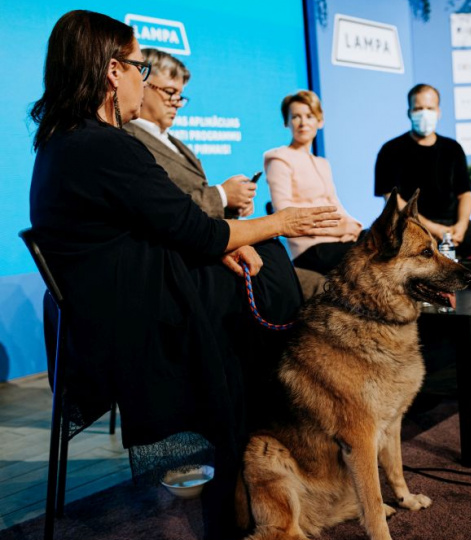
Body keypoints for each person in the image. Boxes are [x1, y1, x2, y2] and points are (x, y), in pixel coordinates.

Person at [28, 11, 341, 538]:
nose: (143, 80)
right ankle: (254, 476)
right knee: (270, 279)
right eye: (137, 68)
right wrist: (281, 222)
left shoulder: (67, 141)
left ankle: (263, 464)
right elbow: (196, 229)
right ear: (110, 72)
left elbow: (164, 227)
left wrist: (223, 247)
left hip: (114, 305)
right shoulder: (103, 146)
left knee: (263, 269)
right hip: (133, 320)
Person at [123, 49, 323, 299]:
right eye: (169, 92)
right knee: (314, 288)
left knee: (312, 282)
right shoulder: (128, 140)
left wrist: (232, 206)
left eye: (180, 95)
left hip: (211, 247)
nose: (176, 102)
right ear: (142, 85)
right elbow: (168, 210)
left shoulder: (176, 143)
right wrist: (223, 196)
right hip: (188, 265)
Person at [374, 83, 471, 259]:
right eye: (418, 108)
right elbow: (392, 199)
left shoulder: (453, 149)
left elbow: (465, 194)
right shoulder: (391, 150)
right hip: (408, 227)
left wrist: (461, 226)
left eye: (430, 108)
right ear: (409, 112)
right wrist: (433, 229)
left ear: (438, 112)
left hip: (452, 225)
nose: (424, 113)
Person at [264, 90, 362, 275]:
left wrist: (353, 225)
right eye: (295, 117)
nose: (303, 123)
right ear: (287, 122)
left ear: (319, 120)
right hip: (309, 249)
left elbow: (335, 205)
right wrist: (338, 229)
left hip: (337, 241)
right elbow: (286, 216)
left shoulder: (322, 164)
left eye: (309, 116)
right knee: (367, 256)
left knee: (378, 240)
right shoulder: (279, 159)